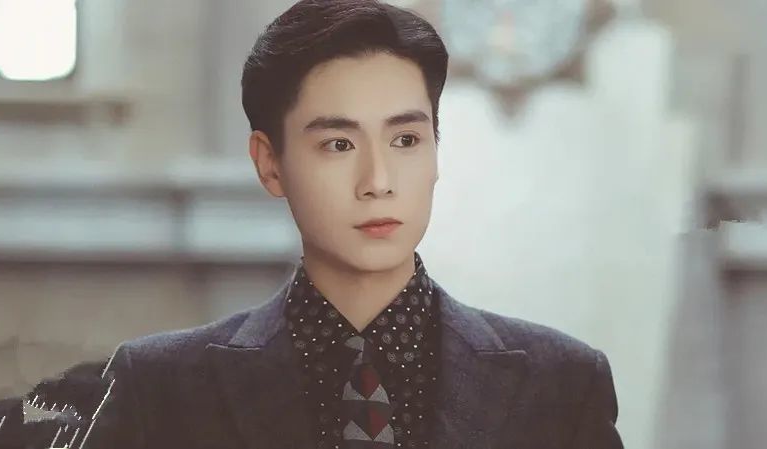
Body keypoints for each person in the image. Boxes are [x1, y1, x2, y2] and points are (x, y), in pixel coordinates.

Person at [86, 1, 624, 448]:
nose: (378, 181)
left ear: (436, 152)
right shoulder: (159, 387)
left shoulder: (563, 383)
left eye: (406, 140)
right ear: (269, 163)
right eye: (339, 144)